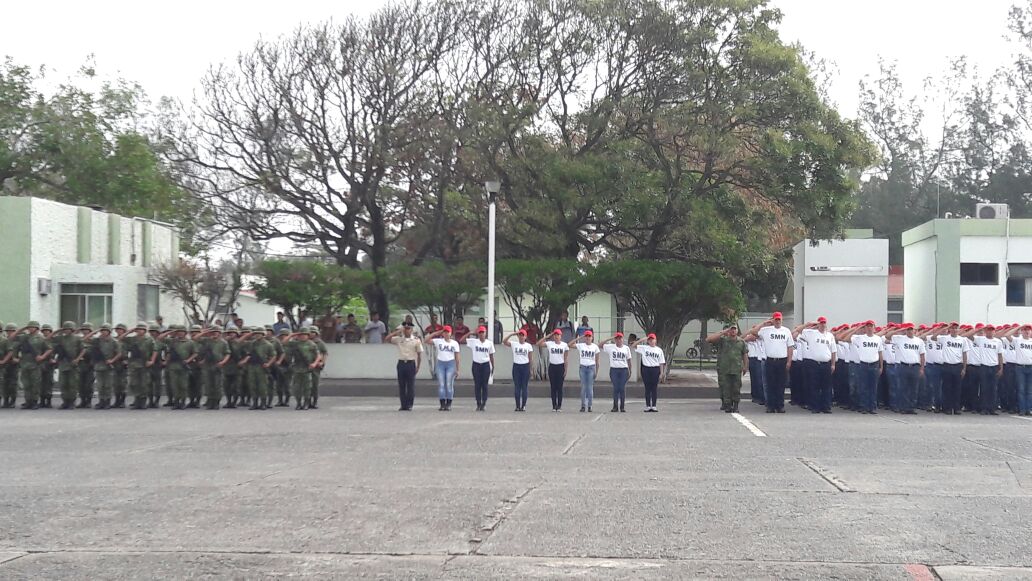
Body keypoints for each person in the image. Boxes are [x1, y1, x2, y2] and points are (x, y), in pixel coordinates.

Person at [745, 312, 794, 413]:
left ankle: (780, 405)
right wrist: (764, 323)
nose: (777, 321)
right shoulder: (766, 330)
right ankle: (770, 406)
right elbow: (753, 331)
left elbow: (790, 347)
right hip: (770, 360)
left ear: (782, 320)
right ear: (773, 320)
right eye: (775, 319)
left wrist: (789, 361)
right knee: (770, 384)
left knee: (780, 385)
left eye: (779, 319)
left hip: (782, 360)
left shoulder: (786, 331)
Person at [796, 317, 837, 414]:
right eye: (821, 323)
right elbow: (798, 330)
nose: (823, 325)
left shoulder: (830, 336)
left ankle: (826, 406)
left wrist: (833, 364)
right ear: (818, 324)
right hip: (814, 363)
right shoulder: (811, 333)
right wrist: (808, 323)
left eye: (824, 323)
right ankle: (815, 406)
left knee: (826, 387)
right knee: (814, 386)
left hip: (826, 364)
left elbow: (833, 351)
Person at [841, 321, 883, 414]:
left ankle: (872, 407)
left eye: (871, 326)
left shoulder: (878, 339)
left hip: (874, 364)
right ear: (865, 328)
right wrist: (856, 328)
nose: (869, 328)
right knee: (863, 387)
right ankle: (864, 406)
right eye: (867, 326)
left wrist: (881, 366)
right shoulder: (860, 338)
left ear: (874, 327)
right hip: (863, 364)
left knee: (873, 387)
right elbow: (845, 339)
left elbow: (880, 353)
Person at [707, 325, 748, 413]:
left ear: (737, 331)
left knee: (736, 387)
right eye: (731, 329)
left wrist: (745, 366)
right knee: (726, 388)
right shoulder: (722, 340)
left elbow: (744, 354)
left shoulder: (741, 342)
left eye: (734, 329)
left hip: (736, 368)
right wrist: (724, 332)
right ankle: (727, 405)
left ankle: (736, 405)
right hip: (725, 368)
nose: (733, 331)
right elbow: (709, 339)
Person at [887, 323, 925, 414]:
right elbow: (887, 336)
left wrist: (922, 368)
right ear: (905, 330)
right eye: (908, 329)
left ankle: (911, 407)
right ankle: (903, 407)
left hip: (915, 366)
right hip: (903, 366)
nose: (910, 331)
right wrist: (899, 330)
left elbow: (922, 355)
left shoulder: (919, 341)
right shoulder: (900, 339)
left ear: (914, 330)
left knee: (914, 388)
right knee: (903, 388)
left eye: (911, 329)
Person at [385, 322, 423, 411]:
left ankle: (409, 404)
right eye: (405, 328)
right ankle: (403, 405)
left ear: (412, 329)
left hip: (411, 363)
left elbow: (419, 354)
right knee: (401, 385)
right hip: (401, 363)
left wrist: (418, 366)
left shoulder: (416, 340)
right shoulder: (399, 339)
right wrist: (397, 332)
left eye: (408, 328)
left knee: (410, 386)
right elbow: (387, 339)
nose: (406, 330)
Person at [13, 321, 51, 410]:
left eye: (32, 327)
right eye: (29, 327)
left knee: (35, 384)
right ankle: (28, 401)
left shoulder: (41, 338)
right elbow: (12, 337)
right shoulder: (24, 337)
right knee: (26, 385)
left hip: (35, 365)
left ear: (37, 328)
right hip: (25, 364)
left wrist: (42, 356)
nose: (30, 328)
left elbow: (49, 349)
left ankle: (34, 402)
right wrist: (23, 328)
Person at [426, 326, 460, 411]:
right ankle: (442, 404)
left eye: (447, 332)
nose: (446, 334)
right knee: (441, 384)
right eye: (444, 332)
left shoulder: (454, 343)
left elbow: (457, 357)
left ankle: (448, 404)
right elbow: (426, 340)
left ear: (450, 333)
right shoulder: (438, 341)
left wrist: (457, 369)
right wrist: (436, 333)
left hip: (450, 364)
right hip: (440, 363)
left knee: (449, 384)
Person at [973, 324, 1005, 415]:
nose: (990, 332)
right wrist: (981, 329)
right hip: (984, 367)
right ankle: (984, 408)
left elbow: (1000, 355)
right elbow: (969, 336)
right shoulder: (981, 339)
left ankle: (992, 408)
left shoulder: (998, 341)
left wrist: (1001, 368)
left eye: (991, 330)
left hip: (994, 367)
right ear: (985, 331)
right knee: (984, 388)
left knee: (993, 389)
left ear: (994, 331)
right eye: (988, 330)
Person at [89, 323, 123, 410]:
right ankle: (101, 401)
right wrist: (95, 332)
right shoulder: (97, 341)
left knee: (107, 385)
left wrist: (112, 360)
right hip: (99, 365)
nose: (103, 332)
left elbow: (119, 353)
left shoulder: (114, 341)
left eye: (105, 330)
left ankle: (107, 401)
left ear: (109, 332)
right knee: (100, 385)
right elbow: (85, 339)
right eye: (102, 330)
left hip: (109, 365)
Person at [124, 322, 157, 410]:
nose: (139, 331)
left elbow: (155, 350)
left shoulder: (149, 340)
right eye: (138, 329)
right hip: (134, 364)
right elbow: (120, 338)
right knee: (133, 383)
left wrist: (152, 361)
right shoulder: (132, 339)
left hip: (144, 363)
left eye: (141, 329)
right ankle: (137, 401)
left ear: (145, 330)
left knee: (144, 384)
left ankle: (142, 402)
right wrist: (129, 331)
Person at [53, 322, 84, 410]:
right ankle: (65, 401)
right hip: (63, 363)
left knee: (72, 384)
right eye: (65, 329)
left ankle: (72, 402)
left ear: (72, 329)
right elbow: (50, 337)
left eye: (68, 329)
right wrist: (59, 329)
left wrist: (77, 359)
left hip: (73, 364)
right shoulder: (60, 338)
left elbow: (83, 350)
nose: (66, 330)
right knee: (63, 384)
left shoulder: (77, 339)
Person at [164, 325, 197, 410]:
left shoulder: (190, 342)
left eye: (182, 332)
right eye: (178, 332)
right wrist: (171, 332)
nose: (180, 333)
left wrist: (188, 360)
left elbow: (195, 353)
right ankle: (176, 402)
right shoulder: (172, 341)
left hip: (183, 366)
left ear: (185, 333)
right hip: (173, 366)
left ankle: (182, 402)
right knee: (174, 385)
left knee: (183, 385)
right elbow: (160, 338)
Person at [538, 329, 569, 412]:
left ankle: (559, 405)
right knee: (553, 387)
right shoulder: (550, 344)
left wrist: (566, 369)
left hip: (560, 366)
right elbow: (539, 343)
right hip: (552, 366)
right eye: (555, 335)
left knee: (559, 387)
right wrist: (547, 336)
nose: (556, 336)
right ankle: (554, 405)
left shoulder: (564, 345)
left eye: (558, 335)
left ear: (560, 336)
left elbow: (566, 358)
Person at [633, 333, 666, 412]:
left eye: (653, 339)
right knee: (647, 388)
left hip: (655, 369)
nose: (651, 341)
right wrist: (642, 339)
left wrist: (661, 373)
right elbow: (633, 345)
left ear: (655, 340)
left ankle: (654, 405)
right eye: (650, 340)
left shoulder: (659, 350)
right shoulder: (644, 348)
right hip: (646, 369)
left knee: (654, 388)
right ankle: (648, 405)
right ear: (648, 341)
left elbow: (661, 362)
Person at [466, 325, 495, 411]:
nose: (481, 334)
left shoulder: (489, 343)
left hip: (485, 364)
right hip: (476, 364)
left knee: (484, 385)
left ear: (485, 333)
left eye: (483, 332)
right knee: (477, 385)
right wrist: (469, 333)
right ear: (478, 334)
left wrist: (493, 366)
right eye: (480, 333)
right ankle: (478, 403)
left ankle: (484, 402)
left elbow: (491, 355)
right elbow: (462, 340)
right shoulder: (474, 342)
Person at [600, 333, 631, 412]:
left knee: (622, 388)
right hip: (614, 369)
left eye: (620, 338)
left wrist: (630, 370)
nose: (619, 340)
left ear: (622, 339)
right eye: (617, 338)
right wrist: (610, 338)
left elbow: (629, 360)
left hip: (623, 369)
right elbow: (600, 345)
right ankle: (615, 406)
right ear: (615, 340)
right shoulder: (611, 347)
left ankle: (622, 406)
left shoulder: (626, 348)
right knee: (616, 388)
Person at [289, 329, 319, 410]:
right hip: (297, 368)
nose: (302, 336)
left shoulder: (312, 344)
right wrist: (292, 334)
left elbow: (318, 356)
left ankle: (306, 403)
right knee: (296, 387)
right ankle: (298, 403)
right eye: (301, 334)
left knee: (307, 387)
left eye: (304, 334)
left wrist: (314, 364)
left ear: (308, 336)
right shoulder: (295, 344)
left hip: (307, 368)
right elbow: (284, 342)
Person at [504, 330, 533, 412]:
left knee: (524, 386)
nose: (521, 337)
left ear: (525, 337)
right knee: (517, 387)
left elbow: (530, 358)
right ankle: (517, 405)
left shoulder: (528, 346)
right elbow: (504, 341)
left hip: (525, 366)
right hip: (516, 366)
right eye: (520, 335)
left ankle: (523, 405)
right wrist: (511, 334)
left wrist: (531, 369)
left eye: (523, 335)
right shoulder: (514, 344)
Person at [570, 331, 600, 412]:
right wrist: (579, 338)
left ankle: (590, 405)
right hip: (583, 368)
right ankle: (583, 405)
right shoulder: (581, 345)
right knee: (583, 387)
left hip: (591, 368)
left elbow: (597, 361)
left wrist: (596, 371)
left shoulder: (595, 347)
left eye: (589, 336)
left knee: (590, 388)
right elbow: (569, 345)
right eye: (586, 336)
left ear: (592, 337)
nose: (587, 338)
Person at [1013, 324, 1032, 416]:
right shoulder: (1018, 340)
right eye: (1025, 330)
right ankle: (1022, 409)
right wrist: (1018, 327)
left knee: (1029, 390)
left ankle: (1028, 409)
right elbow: (1007, 335)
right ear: (1022, 331)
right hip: (1020, 367)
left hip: (1030, 367)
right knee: (1021, 389)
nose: (1027, 332)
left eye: (1028, 330)